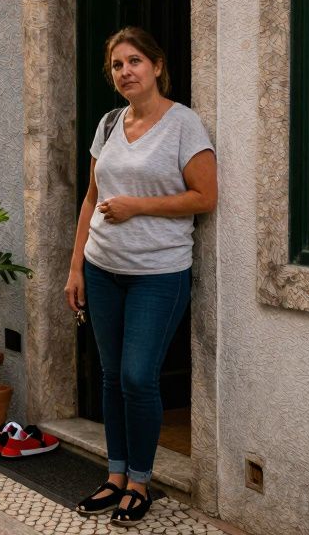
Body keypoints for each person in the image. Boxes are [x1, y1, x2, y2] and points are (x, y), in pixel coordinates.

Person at [65, 27, 216, 526]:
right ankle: (114, 475)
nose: (125, 72)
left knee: (137, 375)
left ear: (155, 65)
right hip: (102, 267)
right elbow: (90, 197)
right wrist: (75, 267)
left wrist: (138, 207)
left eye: (134, 62)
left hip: (157, 273)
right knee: (110, 376)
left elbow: (205, 197)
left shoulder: (183, 125)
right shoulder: (108, 124)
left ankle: (140, 482)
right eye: (116, 66)